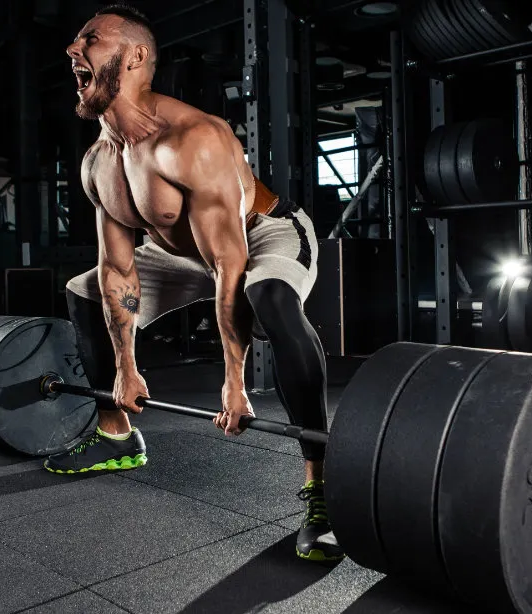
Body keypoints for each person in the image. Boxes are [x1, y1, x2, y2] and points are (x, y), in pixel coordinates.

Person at [43, 4, 343, 563]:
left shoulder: (194, 139)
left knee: (268, 296)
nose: (73, 49)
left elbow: (229, 263)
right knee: (85, 289)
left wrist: (235, 383)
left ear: (135, 57)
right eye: (76, 40)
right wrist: (126, 367)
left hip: (261, 231)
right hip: (178, 252)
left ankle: (321, 488)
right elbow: (118, 269)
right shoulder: (98, 162)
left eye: (91, 38)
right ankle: (116, 436)